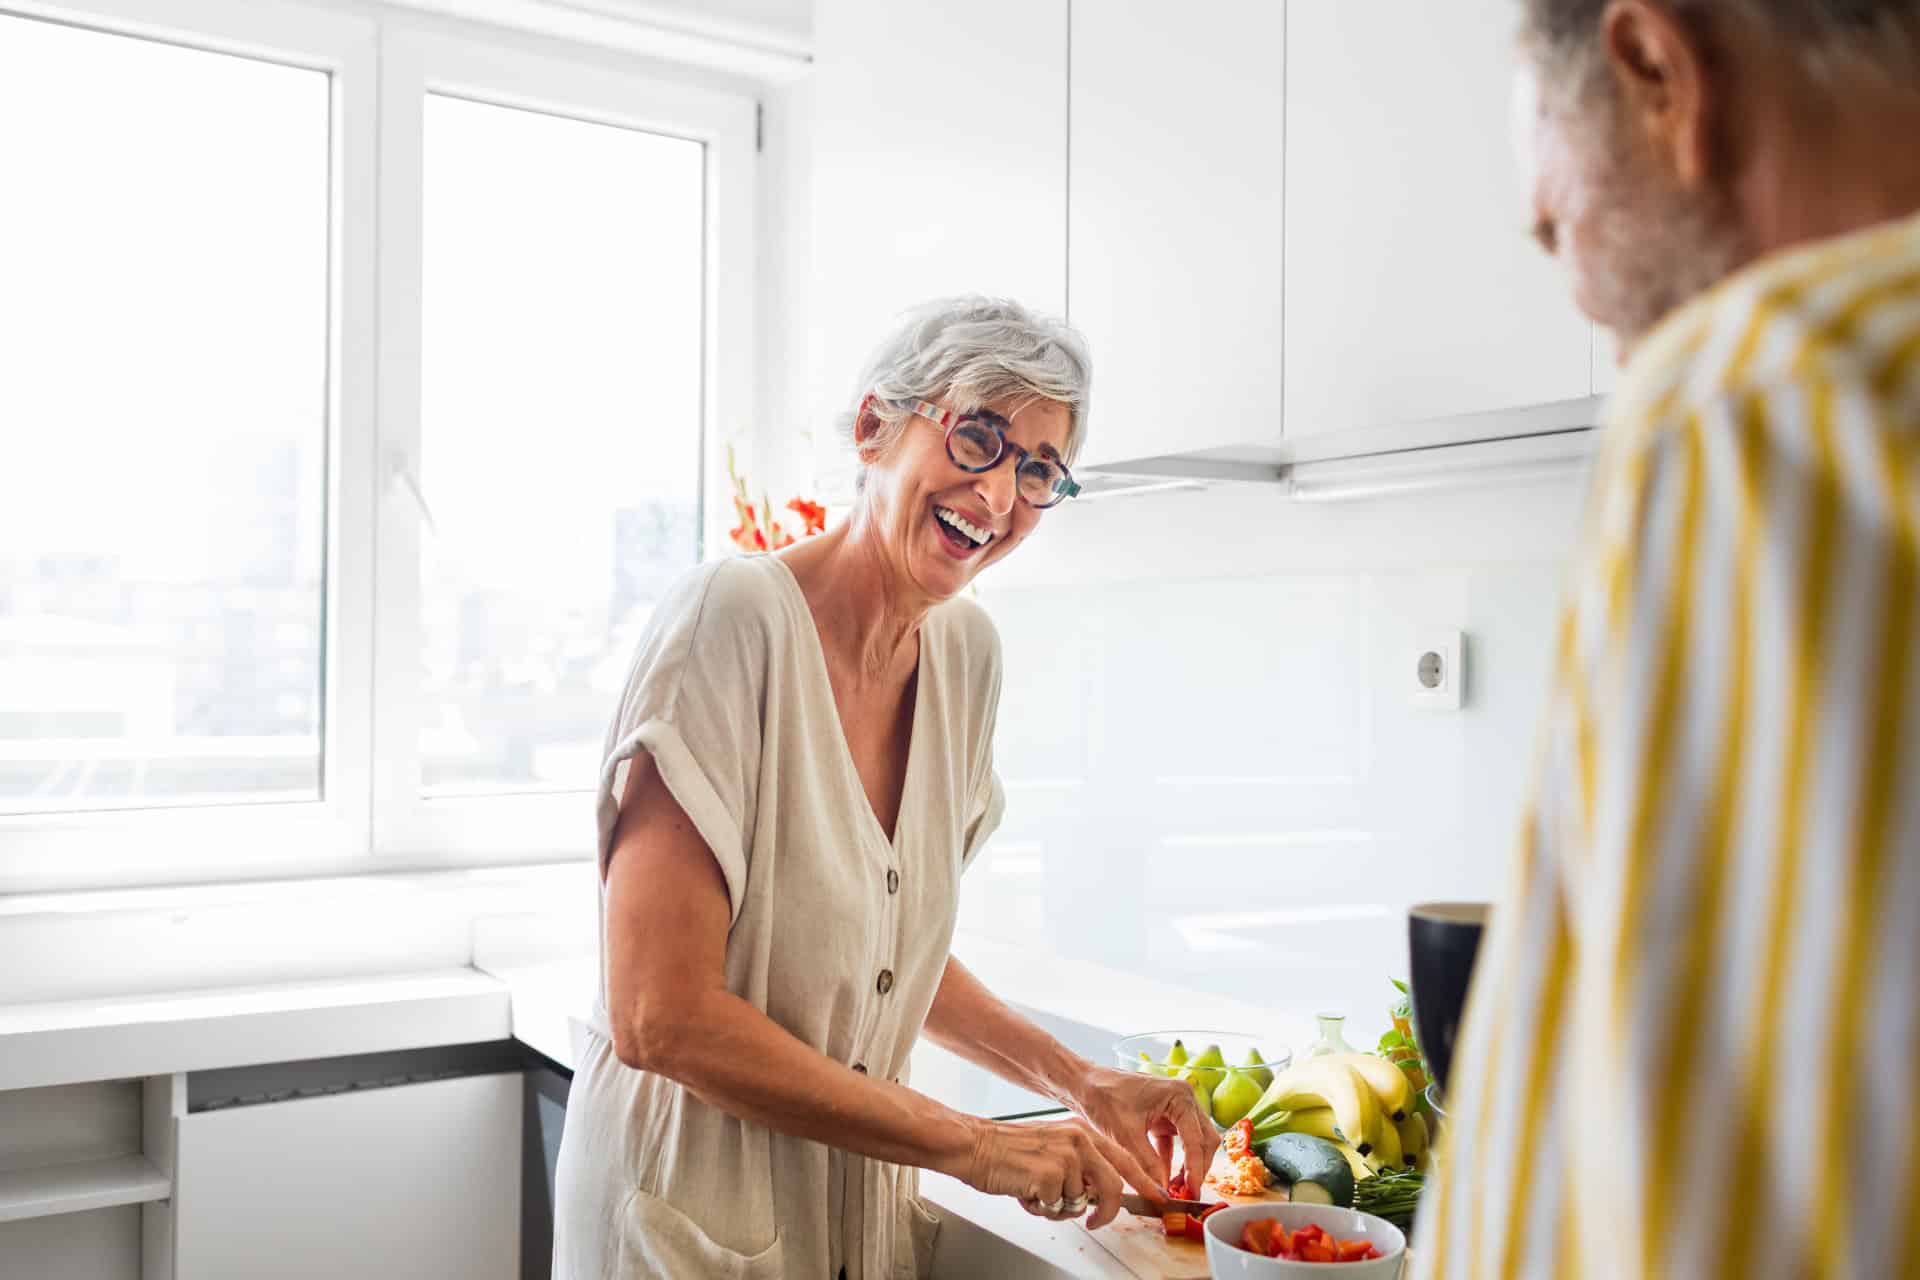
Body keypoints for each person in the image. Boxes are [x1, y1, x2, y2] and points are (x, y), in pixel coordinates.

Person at [552, 297, 1217, 1279]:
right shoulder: (730, 621)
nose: (998, 494)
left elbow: (878, 955)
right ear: (874, 428)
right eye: (978, 436)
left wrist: (1080, 1080)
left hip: (846, 1222)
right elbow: (661, 1012)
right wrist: (982, 1145)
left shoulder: (965, 654)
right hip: (687, 1218)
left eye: (1037, 467)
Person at [1416, 2, 1920, 1276]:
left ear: (1658, 70)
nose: (1578, 288)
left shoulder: (1772, 390)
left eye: (1553, 227)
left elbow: (1726, 1205)